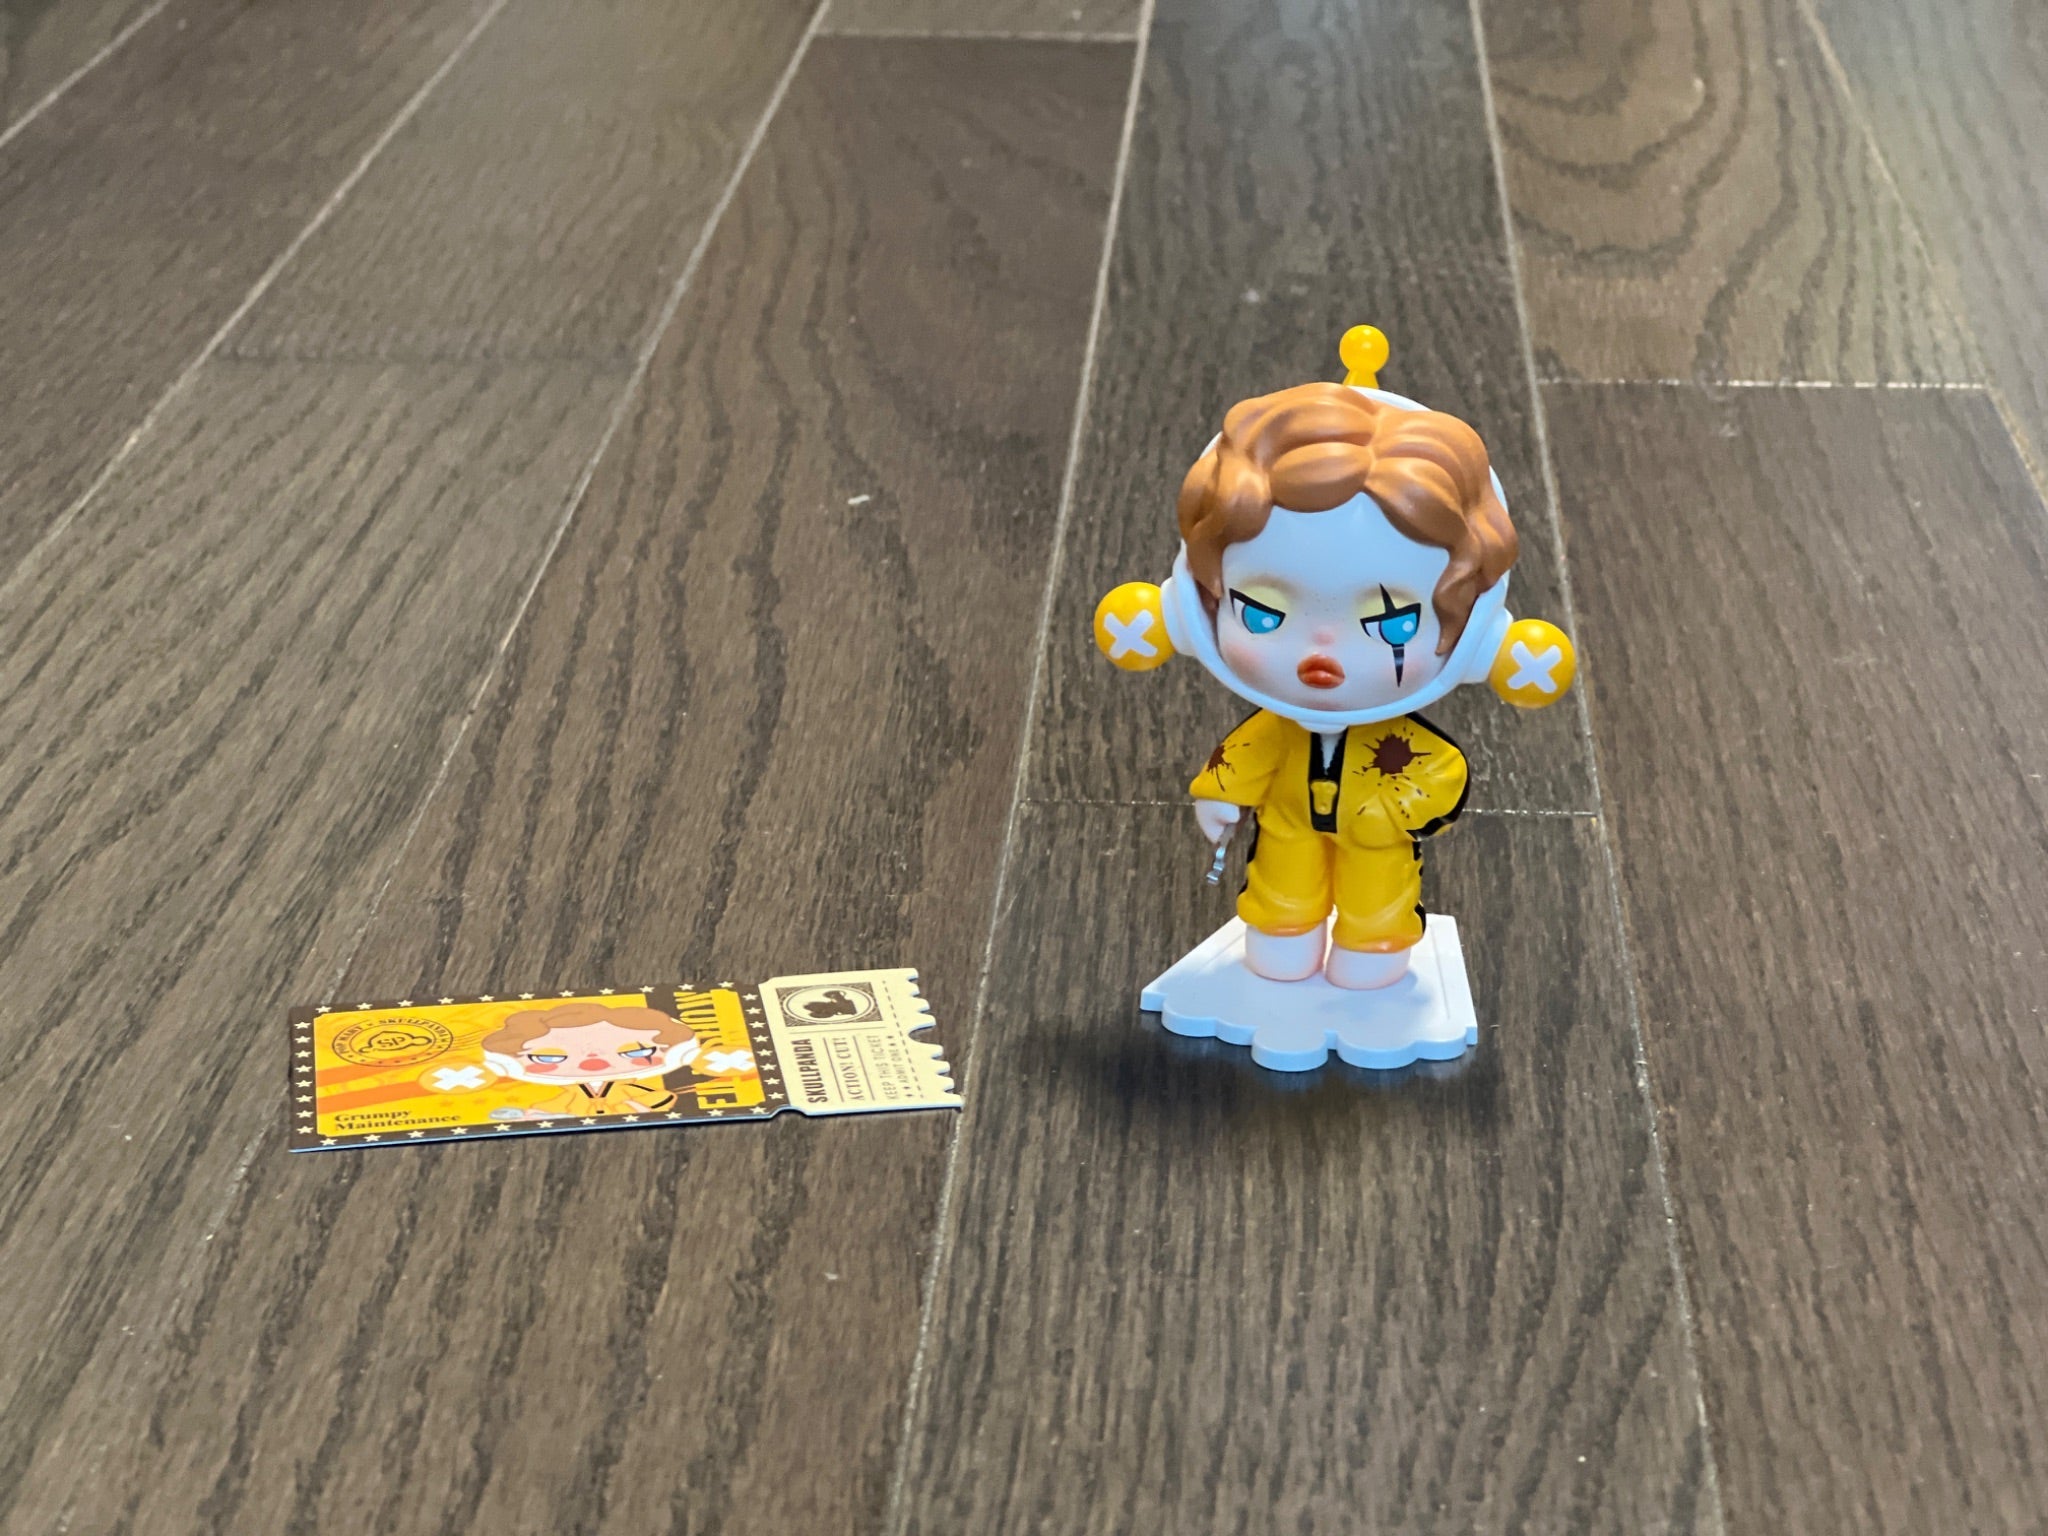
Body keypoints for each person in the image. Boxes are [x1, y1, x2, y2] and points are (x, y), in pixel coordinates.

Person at [1177, 381, 1518, 990]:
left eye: (1392, 624)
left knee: (1378, 895)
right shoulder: (1276, 727)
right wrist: (1220, 792)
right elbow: (1248, 754)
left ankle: (1373, 944)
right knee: (1282, 884)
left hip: (1377, 834)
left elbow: (1439, 777)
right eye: (1263, 614)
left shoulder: (1402, 732)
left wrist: (1404, 806)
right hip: (1287, 826)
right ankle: (1283, 931)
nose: (1321, 653)